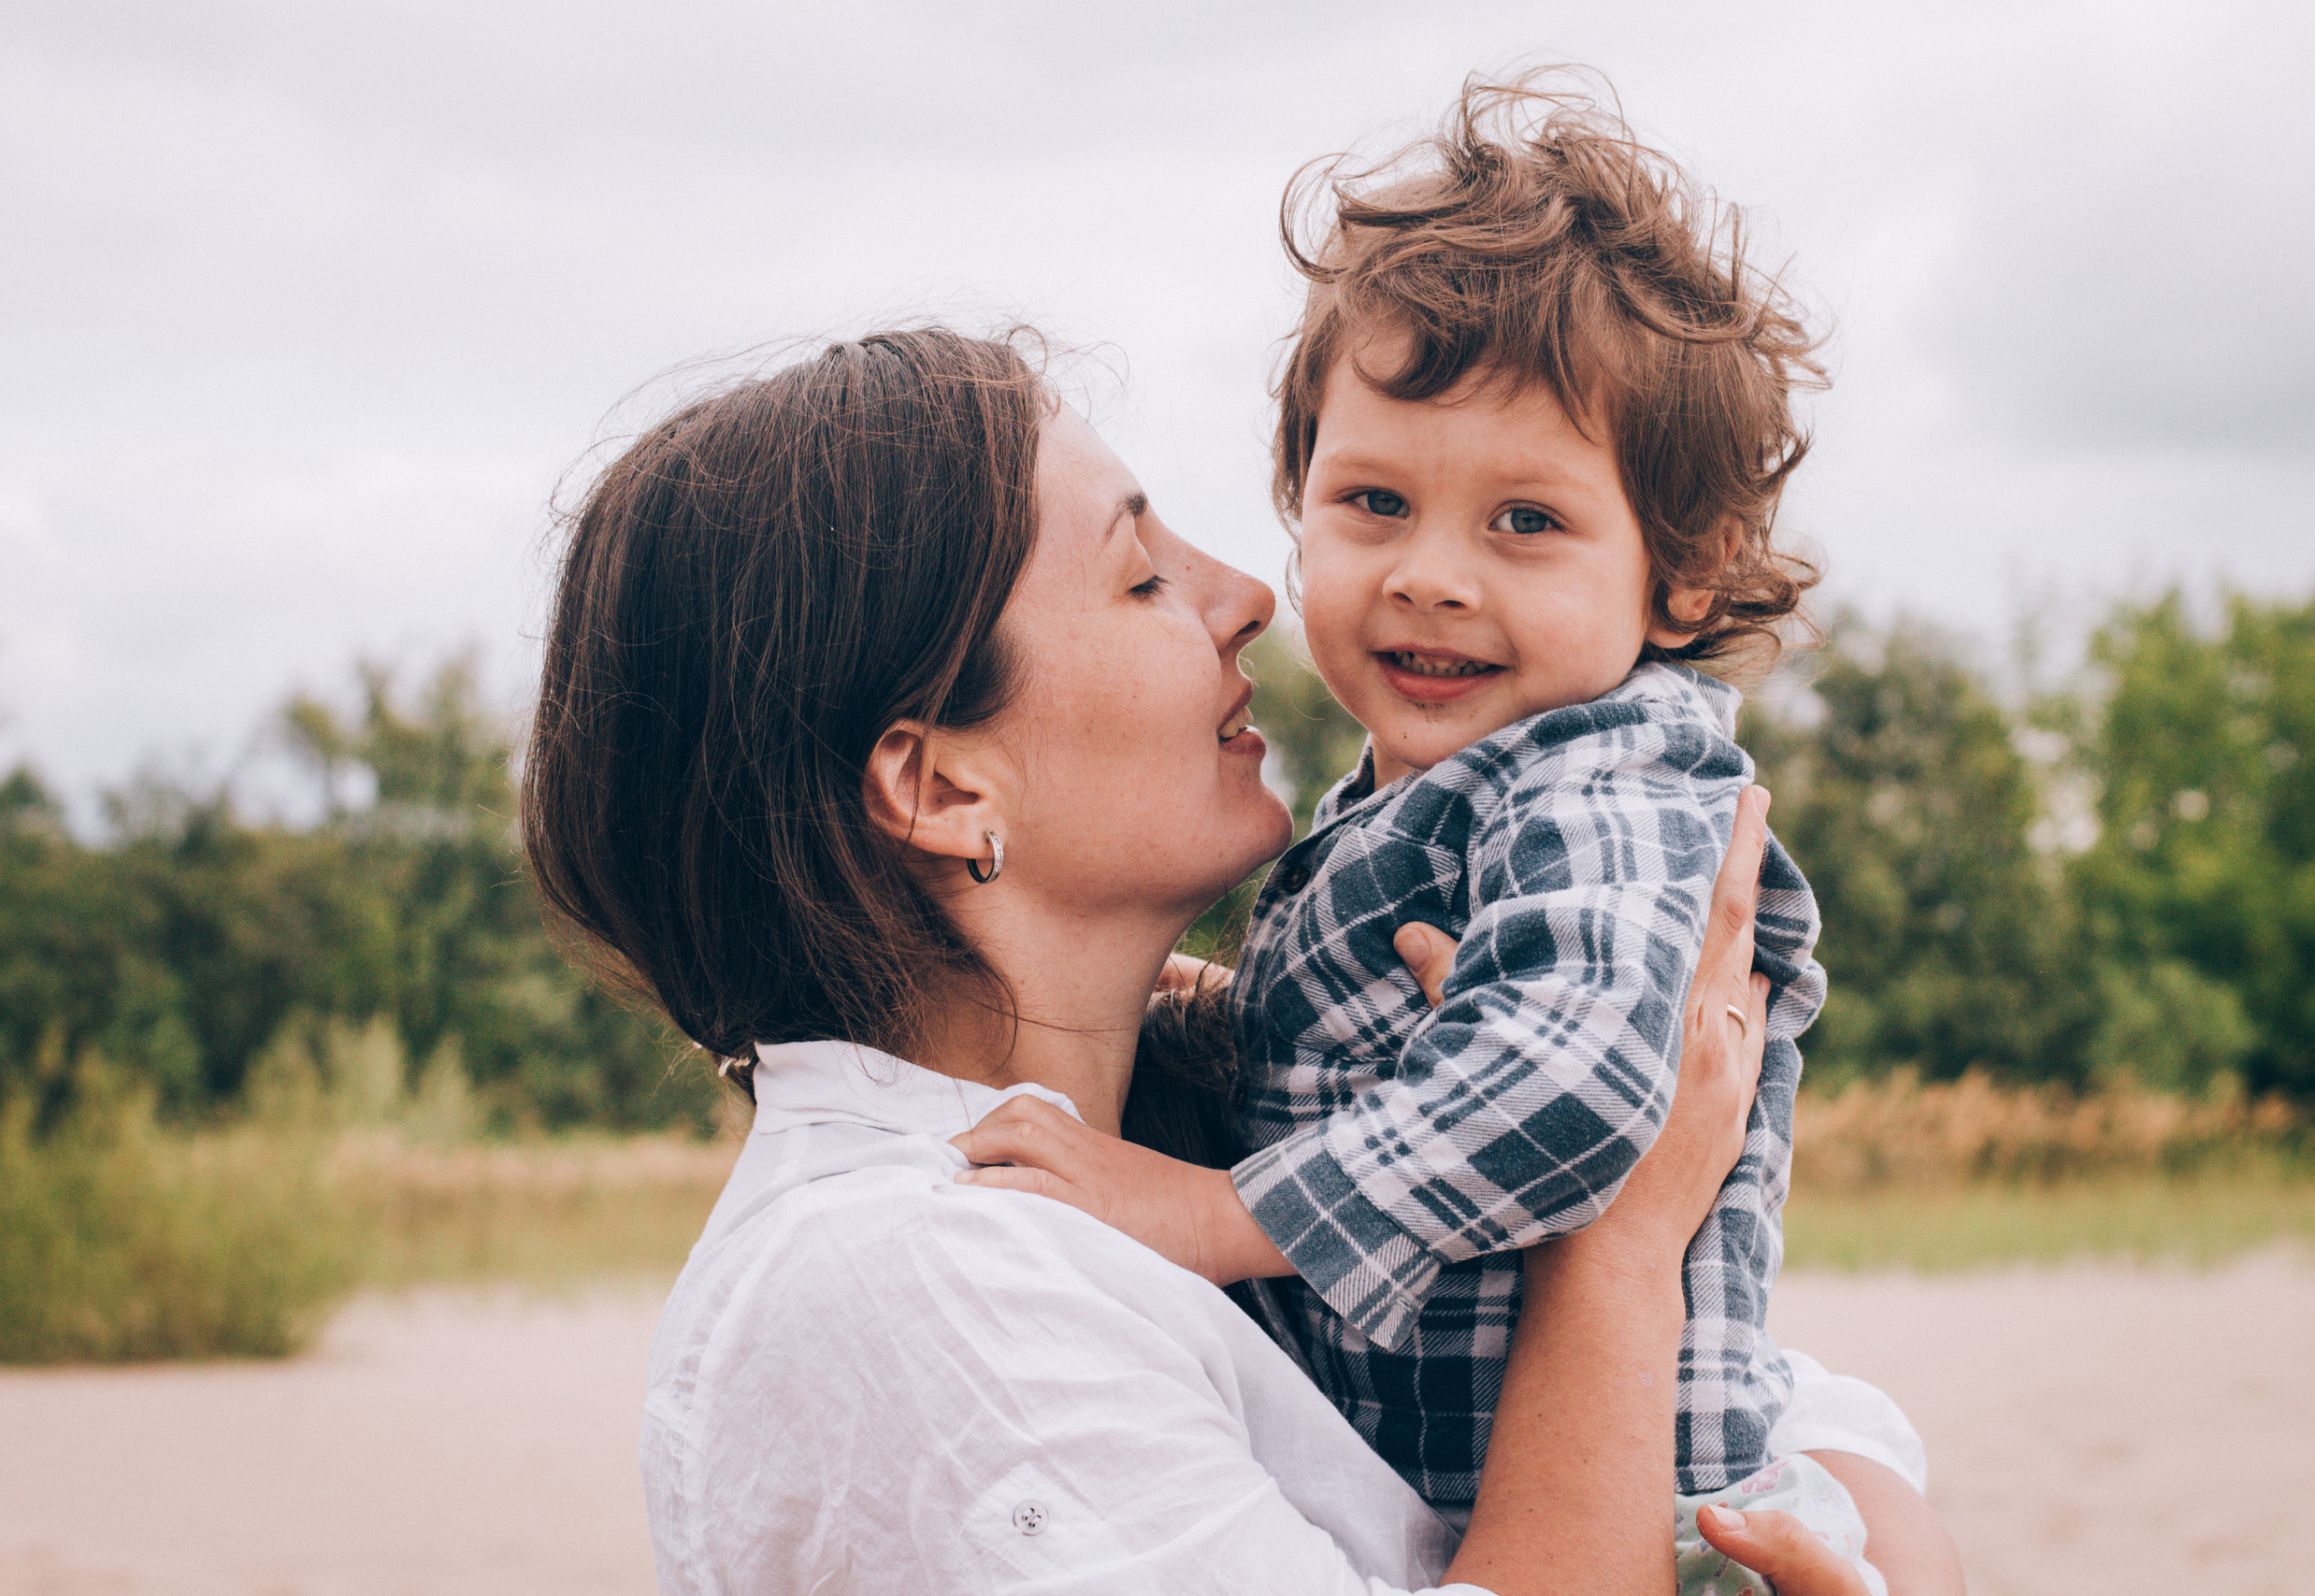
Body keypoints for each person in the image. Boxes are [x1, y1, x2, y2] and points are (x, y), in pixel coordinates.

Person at [523, 327, 1953, 1594]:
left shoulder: (1178, 1149)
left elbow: (1789, 1411)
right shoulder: (918, 1286)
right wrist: (1619, 1246)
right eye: (1144, 577)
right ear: (947, 789)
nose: (1248, 596)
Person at [950, 76, 1882, 1595]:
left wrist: (1209, 1212)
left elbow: (1579, 1080)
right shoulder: (1423, 792)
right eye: (1374, 501)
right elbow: (1369, 1038)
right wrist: (1193, 1003)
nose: (1431, 577)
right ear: (1298, 505)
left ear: (1686, 579)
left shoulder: (1608, 785)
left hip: (1660, 1520)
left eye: (1527, 522)